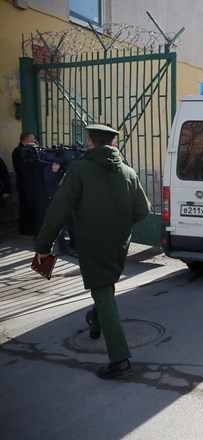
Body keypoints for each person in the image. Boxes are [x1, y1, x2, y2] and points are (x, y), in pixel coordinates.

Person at [34, 124, 151, 379]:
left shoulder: (79, 170)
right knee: (105, 286)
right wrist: (119, 222)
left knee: (102, 291)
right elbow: (143, 210)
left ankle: (120, 359)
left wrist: (43, 246)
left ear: (89, 143)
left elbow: (58, 211)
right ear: (115, 145)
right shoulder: (128, 172)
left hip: (92, 241)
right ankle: (95, 324)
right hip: (119, 241)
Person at [12, 132, 37, 235]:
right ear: (26, 140)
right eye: (32, 139)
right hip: (24, 183)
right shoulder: (18, 151)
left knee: (31, 205)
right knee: (25, 206)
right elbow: (20, 168)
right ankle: (25, 228)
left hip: (31, 183)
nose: (34, 141)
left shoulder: (30, 149)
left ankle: (31, 227)